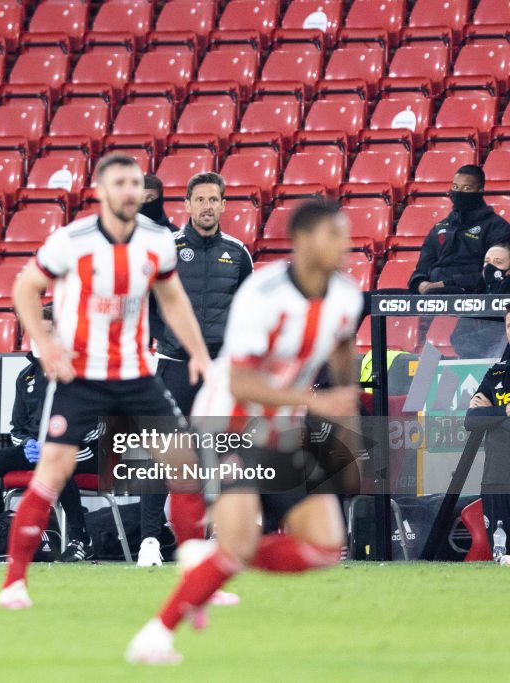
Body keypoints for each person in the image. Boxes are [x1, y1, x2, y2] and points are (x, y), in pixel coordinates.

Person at [124, 200, 363, 664]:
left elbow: (342, 343)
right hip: (228, 424)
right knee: (236, 543)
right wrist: (315, 401)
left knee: (325, 547)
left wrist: (345, 398)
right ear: (306, 240)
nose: (347, 244)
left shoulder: (348, 296)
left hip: (282, 431)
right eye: (336, 235)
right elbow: (239, 382)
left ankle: (209, 560)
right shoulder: (262, 294)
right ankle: (155, 635)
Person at [0, 153, 212, 610]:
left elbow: (172, 301)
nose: (128, 191)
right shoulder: (70, 241)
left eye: (134, 184)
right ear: (100, 190)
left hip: (136, 372)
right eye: (119, 183)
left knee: (184, 466)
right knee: (52, 473)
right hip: (81, 376)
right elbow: (24, 288)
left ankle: (197, 580)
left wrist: (198, 354)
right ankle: (14, 581)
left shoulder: (157, 240)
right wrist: (45, 344)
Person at [140, 171, 253, 567]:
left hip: (219, 372)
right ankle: (150, 542)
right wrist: (166, 340)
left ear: (224, 205)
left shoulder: (239, 254)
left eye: (214, 200)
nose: (207, 206)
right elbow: (145, 305)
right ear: (186, 206)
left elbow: (247, 315)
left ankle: (216, 540)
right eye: (200, 199)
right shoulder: (164, 248)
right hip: (174, 366)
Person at [0, 305, 101, 562]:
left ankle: (82, 540)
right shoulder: (25, 377)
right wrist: (27, 443)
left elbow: (96, 428)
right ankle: (1, 530)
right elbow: (17, 427)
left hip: (81, 450)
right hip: (38, 449)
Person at [408, 165, 510, 295]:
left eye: (466, 188)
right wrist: (420, 284)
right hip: (431, 290)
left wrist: (448, 283)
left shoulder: (497, 227)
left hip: (471, 293)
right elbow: (422, 267)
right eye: (455, 187)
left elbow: (494, 272)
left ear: (480, 190)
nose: (459, 192)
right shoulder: (440, 227)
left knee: (434, 293)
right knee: (375, 296)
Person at [466, 308, 510, 550]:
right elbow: (471, 420)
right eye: (509, 326)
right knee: (501, 556)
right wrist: (503, 412)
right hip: (497, 479)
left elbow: (482, 416)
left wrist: (490, 413)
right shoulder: (497, 373)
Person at [450, 244, 510, 358]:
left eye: (498, 262)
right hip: (476, 359)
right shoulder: (477, 292)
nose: (490, 267)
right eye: (487, 262)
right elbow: (457, 339)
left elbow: (502, 334)